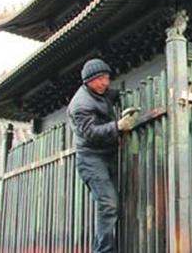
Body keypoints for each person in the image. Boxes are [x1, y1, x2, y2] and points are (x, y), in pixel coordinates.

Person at [67, 58, 138, 253]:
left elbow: (113, 95)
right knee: (108, 204)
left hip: (108, 155)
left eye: (106, 77)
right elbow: (90, 133)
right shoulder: (80, 105)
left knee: (114, 204)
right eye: (99, 79)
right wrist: (118, 126)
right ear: (88, 81)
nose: (105, 83)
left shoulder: (101, 92)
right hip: (90, 158)